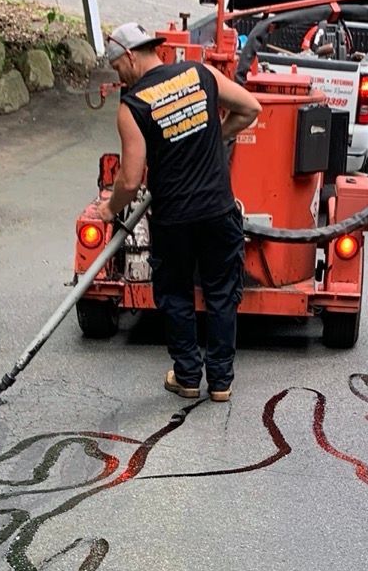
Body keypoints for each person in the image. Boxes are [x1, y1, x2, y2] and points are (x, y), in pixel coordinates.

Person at [96, 21, 261, 403]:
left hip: (174, 220)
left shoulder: (133, 106)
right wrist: (212, 138)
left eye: (117, 67)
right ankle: (220, 382)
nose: (119, 76)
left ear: (130, 56)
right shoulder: (200, 74)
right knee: (222, 293)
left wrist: (109, 210)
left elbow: (130, 179)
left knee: (176, 295)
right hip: (218, 212)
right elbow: (250, 108)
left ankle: (187, 377)